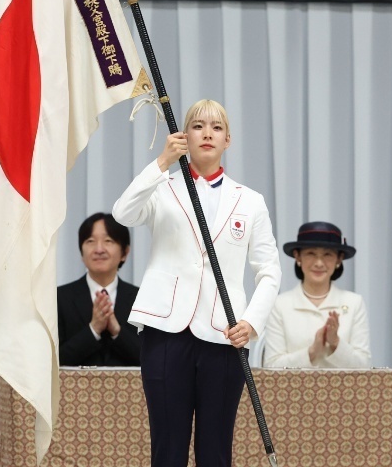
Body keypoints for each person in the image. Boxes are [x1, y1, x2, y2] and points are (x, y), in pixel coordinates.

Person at [112, 99, 281, 467]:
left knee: (216, 451)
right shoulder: (162, 187)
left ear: (228, 140)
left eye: (216, 127)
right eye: (198, 125)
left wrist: (251, 323)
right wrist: (161, 163)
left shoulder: (250, 201)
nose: (207, 133)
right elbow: (122, 212)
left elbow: (270, 270)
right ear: (183, 135)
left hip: (224, 334)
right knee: (167, 449)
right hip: (165, 332)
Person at [264, 221, 371, 368]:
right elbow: (271, 367)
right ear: (298, 257)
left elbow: (364, 367)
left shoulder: (354, 303)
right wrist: (312, 352)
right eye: (311, 254)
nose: (319, 263)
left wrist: (335, 343)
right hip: (294, 391)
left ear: (339, 259)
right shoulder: (279, 304)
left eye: (327, 254)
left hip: (343, 391)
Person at [57, 213, 140, 366]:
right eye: (90, 241)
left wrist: (116, 331)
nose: (99, 249)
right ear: (82, 253)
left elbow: (152, 360)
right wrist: (94, 329)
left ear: (125, 253)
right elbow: (54, 360)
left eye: (108, 241)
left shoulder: (141, 299)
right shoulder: (59, 298)